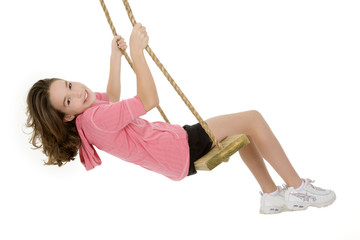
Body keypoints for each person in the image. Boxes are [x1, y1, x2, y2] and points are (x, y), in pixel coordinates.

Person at [26, 23, 335, 214]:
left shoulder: (89, 121)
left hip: (174, 153)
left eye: (69, 85)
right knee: (253, 119)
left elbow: (114, 98)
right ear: (66, 116)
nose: (77, 91)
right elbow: (149, 100)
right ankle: (296, 188)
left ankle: (271, 195)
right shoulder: (95, 120)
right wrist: (137, 50)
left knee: (240, 135)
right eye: (68, 99)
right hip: (178, 146)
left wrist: (115, 58)